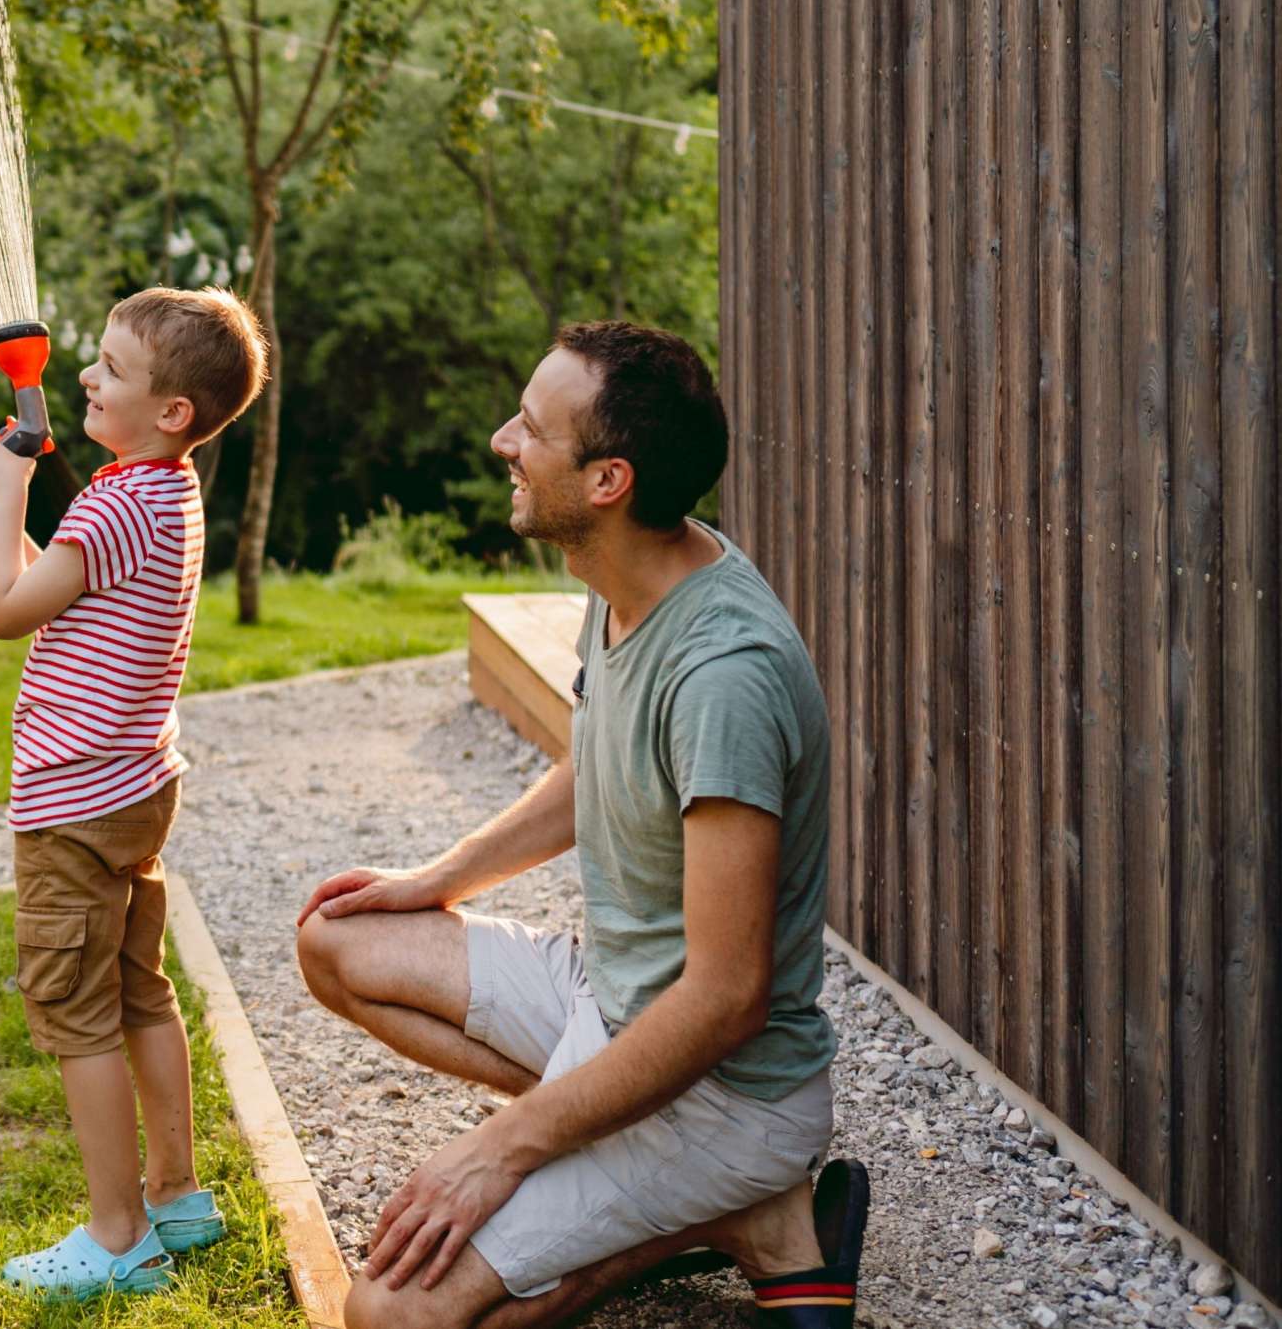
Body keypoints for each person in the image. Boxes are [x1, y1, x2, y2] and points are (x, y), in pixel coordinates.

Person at [292, 322, 868, 1329]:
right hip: (609, 1002)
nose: (501, 439)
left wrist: (503, 1145)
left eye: (532, 428)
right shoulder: (632, 580)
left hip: (726, 1087)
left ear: (607, 481)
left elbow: (729, 998)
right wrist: (441, 875)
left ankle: (720, 1205)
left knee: (394, 1313)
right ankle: (711, 1205)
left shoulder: (724, 677)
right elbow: (597, 760)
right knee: (336, 937)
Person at [0, 285, 268, 1300]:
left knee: (77, 1011)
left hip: (72, 803)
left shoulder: (115, 500)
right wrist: (4, 512)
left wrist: (12, 500)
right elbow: (56, 596)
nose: (85, 374)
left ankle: (118, 1235)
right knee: (136, 987)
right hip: (133, 789)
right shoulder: (165, 493)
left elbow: (1, 612)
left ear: (172, 412)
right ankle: (176, 1191)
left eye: (112, 369)